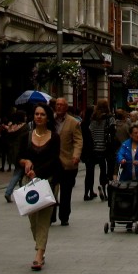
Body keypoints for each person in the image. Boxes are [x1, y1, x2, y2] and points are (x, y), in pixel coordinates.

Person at [17, 102, 61, 271]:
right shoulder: (26, 136)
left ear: (48, 117)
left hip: (48, 181)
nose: (39, 117)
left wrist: (38, 172)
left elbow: (55, 160)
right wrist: (25, 162)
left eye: (42, 114)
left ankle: (39, 253)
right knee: (33, 219)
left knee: (43, 218)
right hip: (29, 183)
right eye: (37, 114)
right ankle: (40, 245)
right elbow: (17, 158)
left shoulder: (54, 137)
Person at [50, 97, 83, 226]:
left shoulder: (73, 122)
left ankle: (64, 216)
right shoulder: (49, 120)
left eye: (61, 105)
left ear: (66, 107)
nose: (59, 107)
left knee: (66, 192)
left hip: (67, 162)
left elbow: (78, 141)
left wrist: (76, 155)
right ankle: (50, 216)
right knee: (50, 190)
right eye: (57, 105)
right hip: (52, 161)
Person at [83, 100, 112, 201]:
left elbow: (90, 132)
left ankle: (87, 192)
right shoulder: (109, 119)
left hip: (93, 149)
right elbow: (113, 132)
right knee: (103, 170)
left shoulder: (93, 119)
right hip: (104, 149)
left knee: (89, 172)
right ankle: (104, 189)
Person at [0, 110, 28, 203]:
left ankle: (22, 191)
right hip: (22, 151)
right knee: (19, 173)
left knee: (20, 172)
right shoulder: (24, 127)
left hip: (12, 151)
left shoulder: (11, 126)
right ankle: (9, 192)